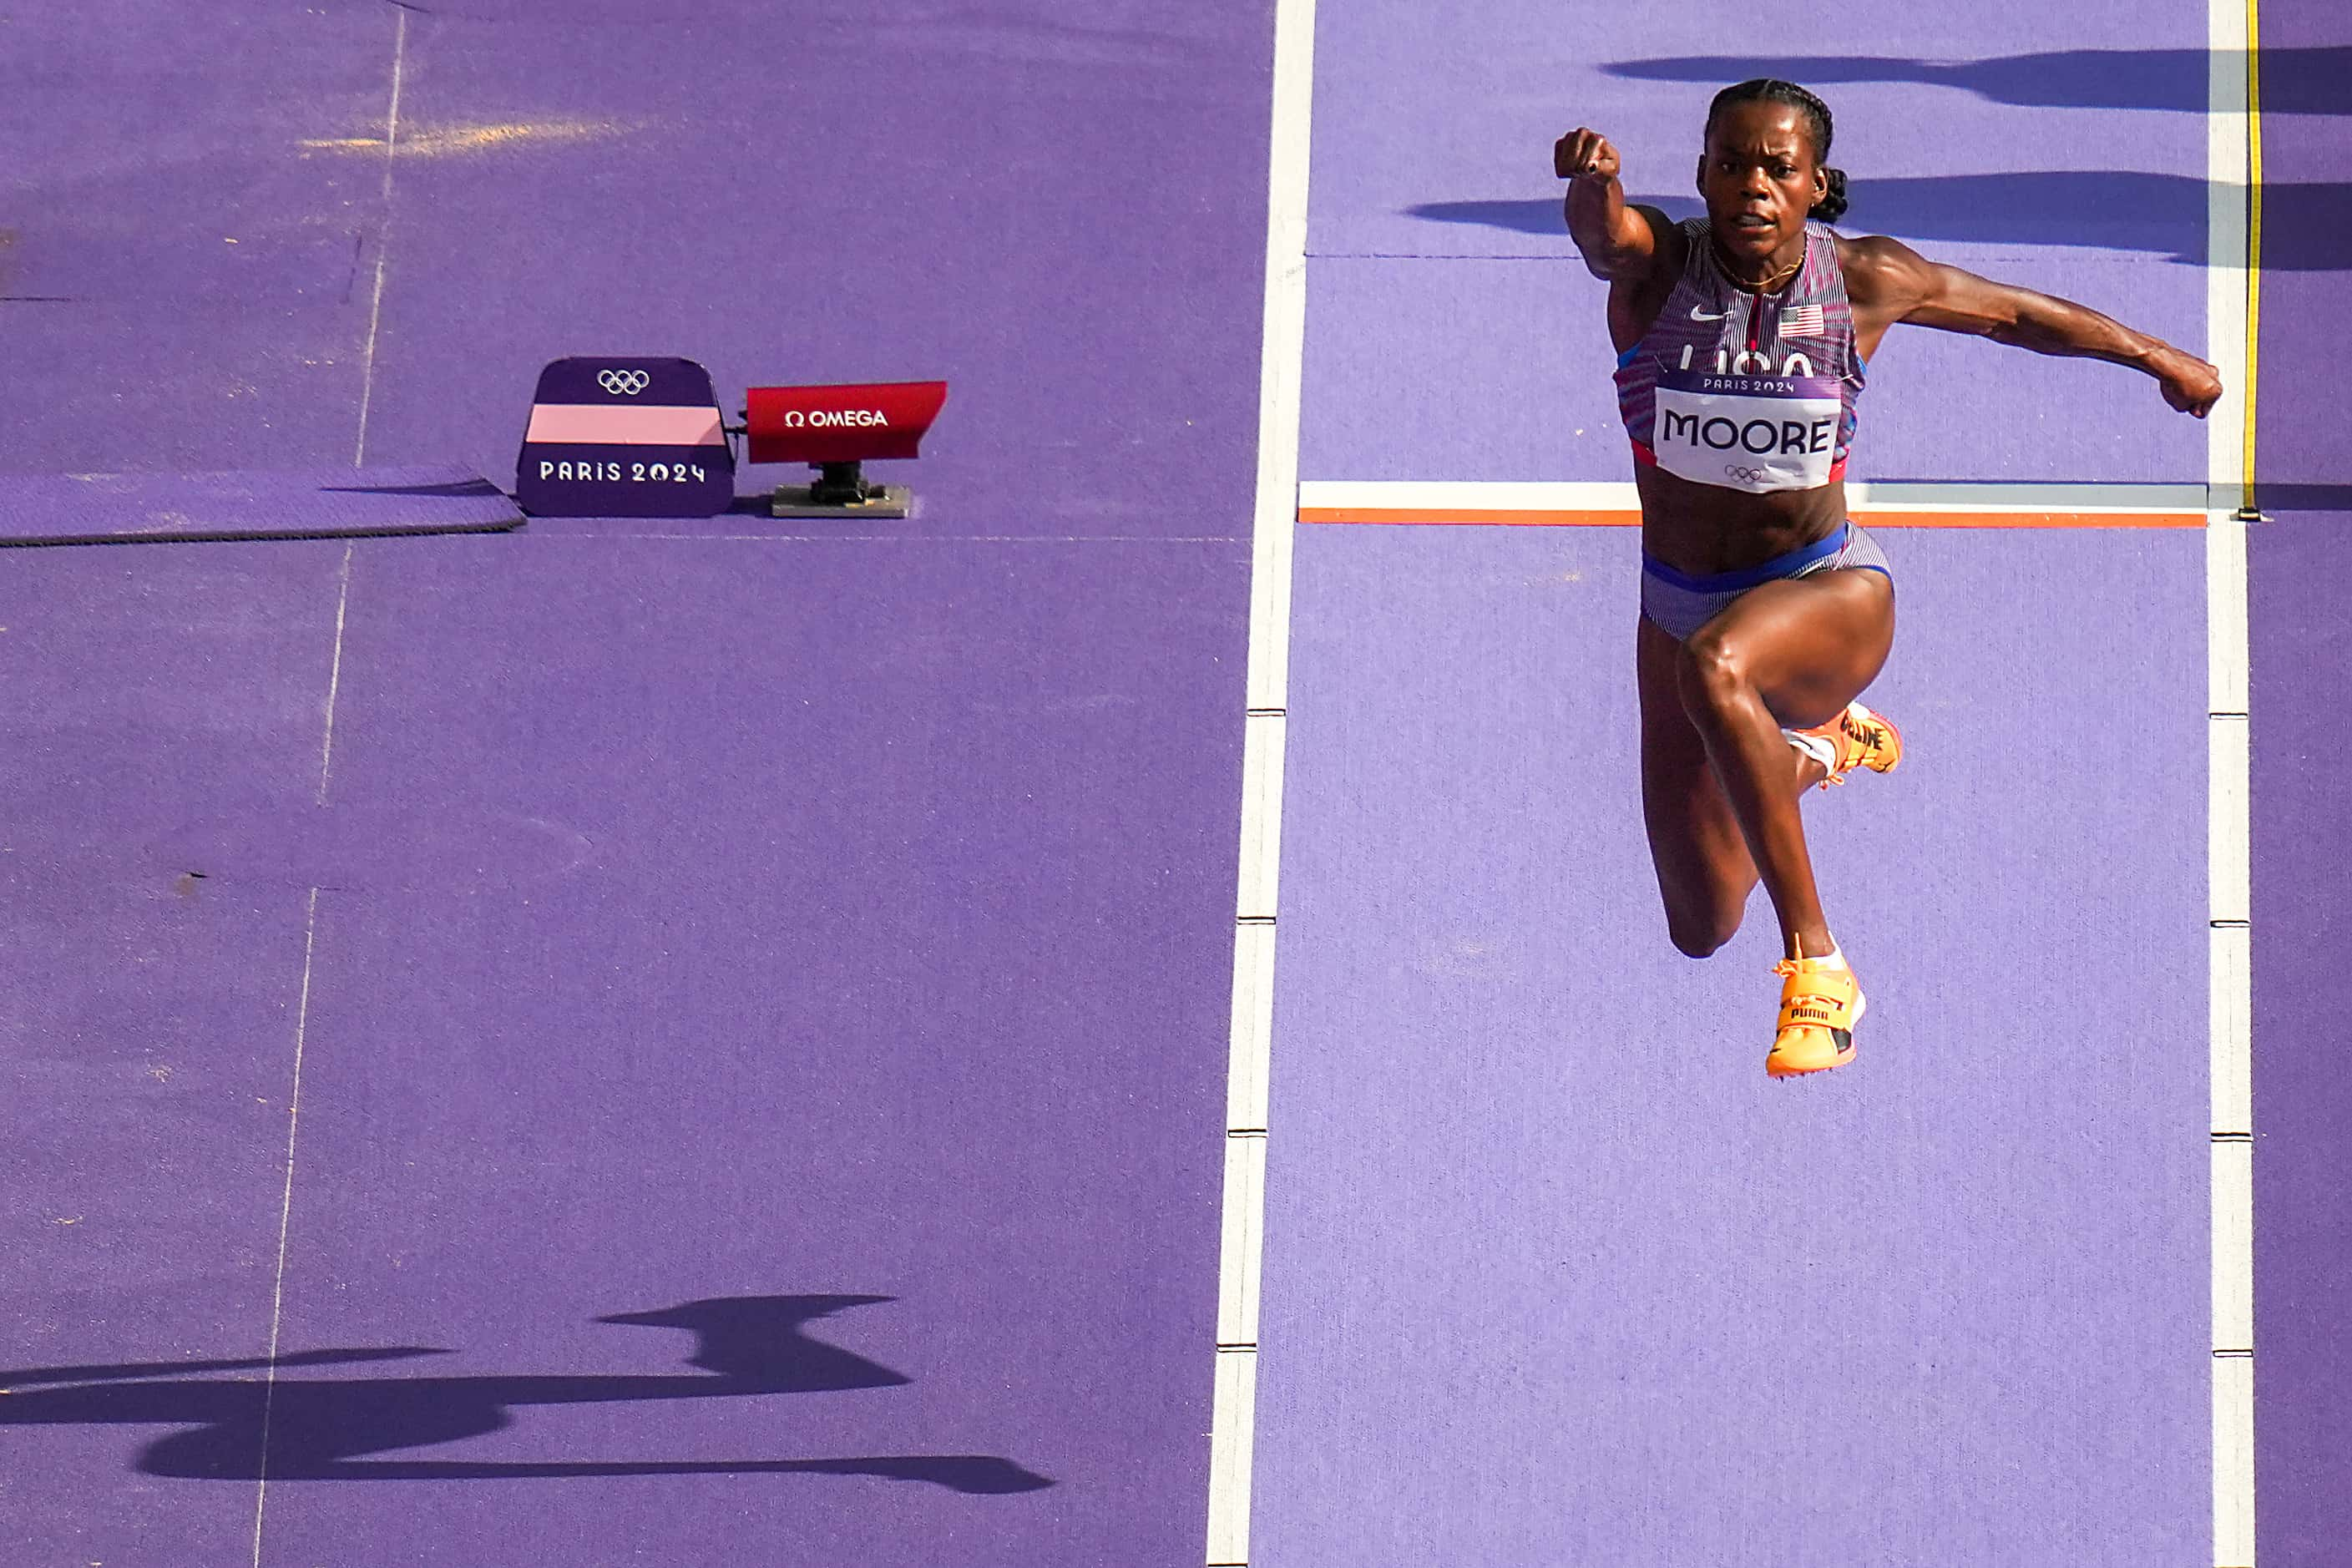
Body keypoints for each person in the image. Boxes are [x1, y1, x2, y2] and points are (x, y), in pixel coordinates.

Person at [1553, 79, 2222, 1077]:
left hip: (1828, 592)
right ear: (1699, 176)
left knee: (1720, 668)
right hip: (1676, 602)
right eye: (1732, 164)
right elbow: (1607, 241)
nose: (1754, 185)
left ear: (1816, 185)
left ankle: (1819, 966)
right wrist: (1592, 188)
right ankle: (1819, 750)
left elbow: (2012, 316)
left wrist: (2158, 356)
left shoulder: (1866, 280)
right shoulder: (1657, 273)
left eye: (1778, 167)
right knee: (1700, 923)